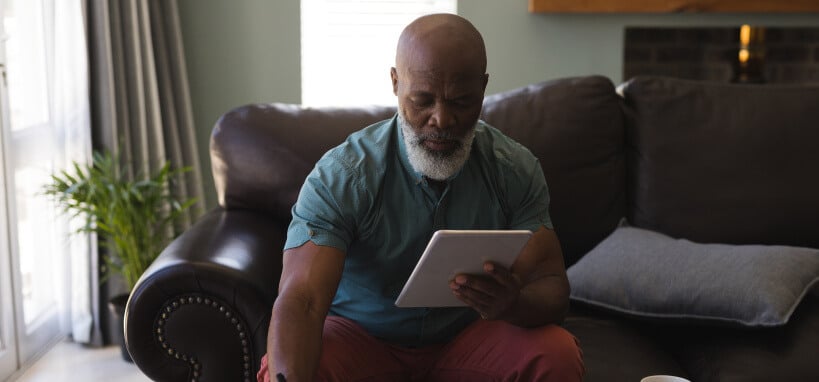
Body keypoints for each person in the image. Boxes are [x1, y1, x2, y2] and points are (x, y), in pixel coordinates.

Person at [258, 13, 584, 382]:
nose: (442, 119)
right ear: (395, 83)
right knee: (289, 367)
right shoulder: (345, 175)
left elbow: (551, 286)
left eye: (461, 101)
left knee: (554, 352)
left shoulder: (514, 169)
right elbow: (302, 301)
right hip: (362, 338)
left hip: (467, 338)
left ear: (483, 88)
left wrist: (515, 304)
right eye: (423, 100)